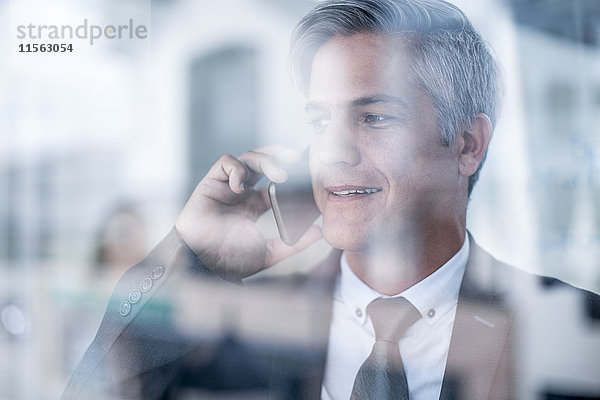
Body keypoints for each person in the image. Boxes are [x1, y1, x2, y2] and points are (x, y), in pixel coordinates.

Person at [63, 0, 600, 399]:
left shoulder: (573, 331)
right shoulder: (253, 325)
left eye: (374, 117)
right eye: (320, 121)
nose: (334, 152)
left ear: (466, 144)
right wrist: (190, 257)